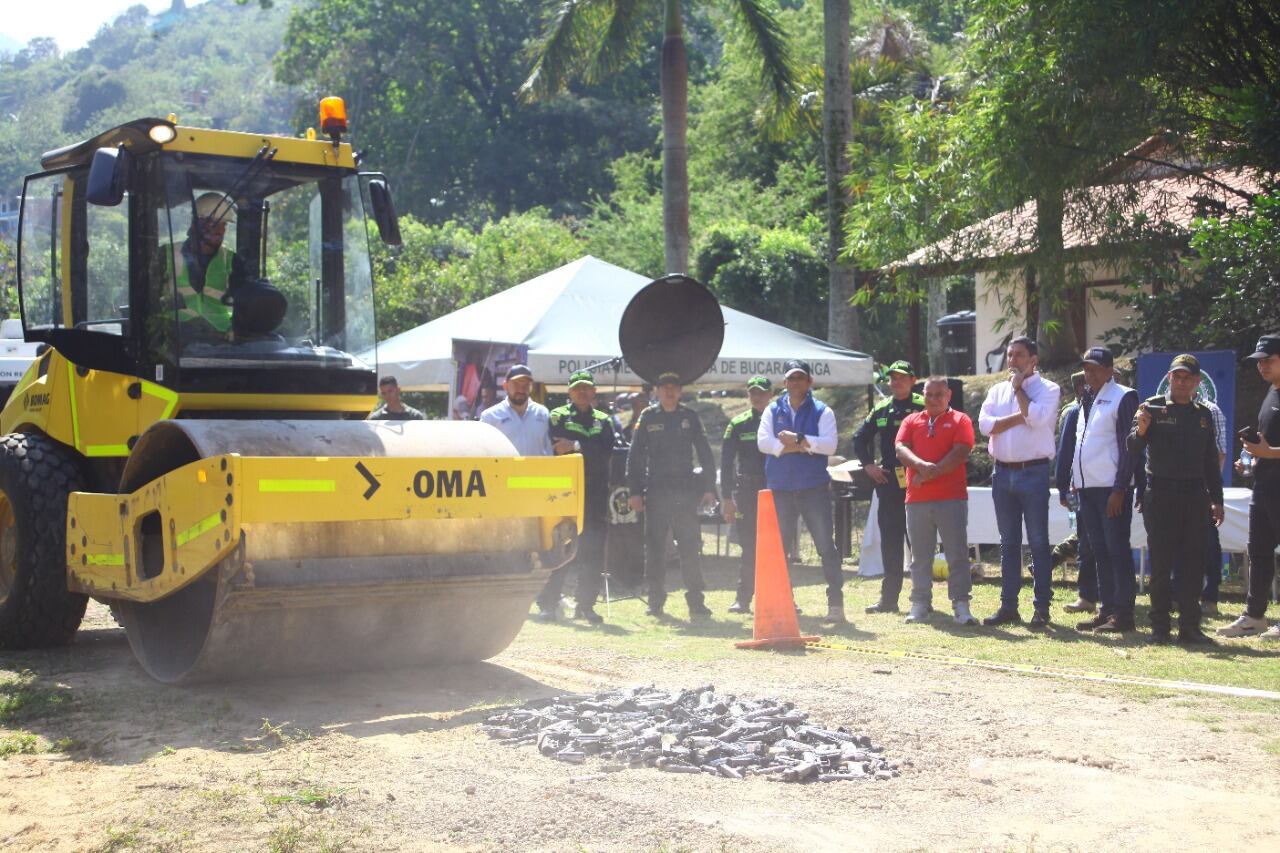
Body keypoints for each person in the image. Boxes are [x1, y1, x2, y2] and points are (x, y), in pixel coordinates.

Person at [1127, 354, 1224, 644]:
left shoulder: (1203, 415)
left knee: (1193, 564)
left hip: (1194, 496)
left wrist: (1217, 500)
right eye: (1177, 377)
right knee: (1161, 564)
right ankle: (1160, 628)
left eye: (1187, 378)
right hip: (1161, 494)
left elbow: (1210, 462)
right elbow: (1132, 446)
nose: (1181, 382)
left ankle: (1190, 627)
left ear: (1197, 382)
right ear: (1169, 378)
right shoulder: (1152, 407)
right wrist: (1141, 429)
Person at [977, 336, 1062, 627]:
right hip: (1002, 473)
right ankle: (1008, 606)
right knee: (1009, 543)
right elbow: (984, 426)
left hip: (1033, 472)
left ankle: (1042, 608)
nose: (1012, 360)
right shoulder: (997, 390)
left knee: (1038, 542)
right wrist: (1018, 417)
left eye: (1019, 355)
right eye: (1010, 355)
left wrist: (1018, 390)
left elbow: (1036, 419)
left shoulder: (1049, 389)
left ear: (1033, 360)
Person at [757, 359, 846, 625]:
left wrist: (797, 439)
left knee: (825, 546)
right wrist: (804, 447)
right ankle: (785, 601)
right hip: (781, 489)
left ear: (809, 381)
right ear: (784, 382)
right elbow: (764, 442)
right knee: (779, 549)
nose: (795, 382)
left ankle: (836, 603)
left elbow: (830, 446)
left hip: (813, 488)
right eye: (791, 378)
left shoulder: (823, 410)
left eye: (800, 378)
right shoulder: (772, 409)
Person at [625, 372, 717, 618]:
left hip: (685, 491)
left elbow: (705, 453)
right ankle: (655, 601)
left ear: (680, 391)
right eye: (664, 387)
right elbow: (635, 456)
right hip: (656, 491)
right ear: (657, 391)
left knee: (689, 546)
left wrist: (709, 487)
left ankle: (696, 602)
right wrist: (634, 491)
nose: (669, 391)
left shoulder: (689, 416)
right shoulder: (648, 416)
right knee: (655, 548)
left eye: (674, 387)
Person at [1068, 347, 1140, 633]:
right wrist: (1075, 478)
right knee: (1099, 550)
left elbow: (1129, 447)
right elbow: (1082, 443)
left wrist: (1120, 488)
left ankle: (1124, 614)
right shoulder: (1088, 397)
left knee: (1117, 550)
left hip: (1111, 488)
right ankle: (1107, 609)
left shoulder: (1124, 396)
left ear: (1110, 370)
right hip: (1087, 488)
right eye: (1087, 369)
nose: (1090, 374)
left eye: (1096, 369)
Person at [536, 370, 616, 624]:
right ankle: (548, 604)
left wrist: (576, 446)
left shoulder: (604, 420)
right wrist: (584, 449)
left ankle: (586, 606)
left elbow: (606, 452)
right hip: (565, 494)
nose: (582, 392)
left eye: (587, 388)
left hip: (595, 495)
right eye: (577, 388)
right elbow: (558, 448)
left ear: (594, 392)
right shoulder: (557, 416)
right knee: (560, 547)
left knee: (592, 551)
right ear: (569, 392)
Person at [895, 376, 977, 624]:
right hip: (917, 500)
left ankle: (961, 605)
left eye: (938, 394)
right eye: (928, 394)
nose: (933, 399)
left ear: (948, 395)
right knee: (920, 557)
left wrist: (930, 473)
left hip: (951, 498)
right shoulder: (911, 420)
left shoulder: (961, 420)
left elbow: (961, 451)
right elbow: (900, 448)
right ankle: (920, 604)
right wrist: (922, 467)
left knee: (957, 555)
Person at [1218, 333, 1280, 640]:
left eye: (1269, 360)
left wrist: (1270, 453)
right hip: (1263, 485)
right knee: (1258, 551)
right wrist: (1253, 460)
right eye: (1259, 361)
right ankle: (1254, 616)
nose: (1262, 366)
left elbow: (1272, 449)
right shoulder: (1271, 393)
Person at [852, 360, 925, 614]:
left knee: (920, 541)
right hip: (889, 481)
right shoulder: (882, 408)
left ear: (913, 380)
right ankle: (889, 599)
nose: (897, 382)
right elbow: (859, 438)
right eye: (893, 378)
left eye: (902, 377)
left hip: (919, 481)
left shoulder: (924, 405)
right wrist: (869, 466)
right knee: (891, 541)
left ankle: (922, 598)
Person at [720, 376, 774, 614]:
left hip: (775, 490)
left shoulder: (780, 420)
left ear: (771, 394)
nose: (757, 396)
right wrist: (727, 498)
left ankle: (783, 597)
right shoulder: (738, 423)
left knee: (777, 546)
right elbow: (726, 462)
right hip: (746, 492)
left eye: (761, 392)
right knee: (749, 547)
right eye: (753, 392)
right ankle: (743, 598)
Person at [1055, 371, 1100, 614]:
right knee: (1085, 542)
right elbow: (1065, 450)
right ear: (1081, 386)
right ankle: (1087, 595)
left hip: (1107, 486)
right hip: (1080, 487)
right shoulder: (1073, 411)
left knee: (1104, 543)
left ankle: (1108, 596)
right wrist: (1063, 487)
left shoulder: (1114, 406)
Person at [170, 191, 245, 335]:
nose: (220, 230)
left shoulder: (233, 261)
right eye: (213, 223)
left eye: (224, 225)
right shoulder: (167, 255)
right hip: (175, 340)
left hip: (220, 341)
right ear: (194, 224)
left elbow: (246, 304)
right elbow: (148, 302)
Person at [479, 365, 553, 456]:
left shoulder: (542, 413)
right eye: (516, 384)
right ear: (505, 385)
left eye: (526, 385)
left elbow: (549, 451)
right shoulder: (490, 417)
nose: (521, 390)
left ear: (531, 387)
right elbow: (482, 453)